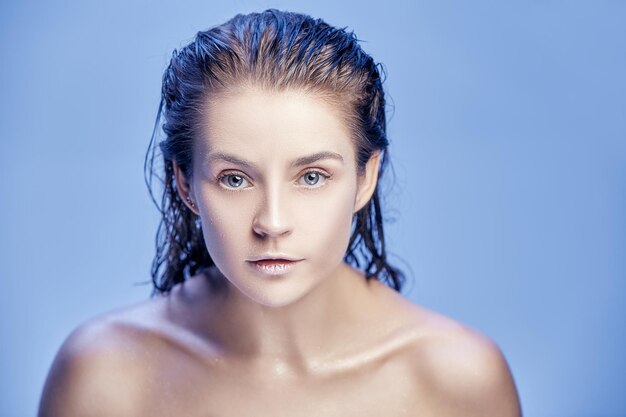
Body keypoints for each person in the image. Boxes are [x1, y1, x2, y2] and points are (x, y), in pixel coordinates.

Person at [39, 9, 522, 416]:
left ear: (365, 178)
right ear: (185, 184)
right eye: (235, 178)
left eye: (312, 177)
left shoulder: (457, 378)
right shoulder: (103, 376)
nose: (271, 222)